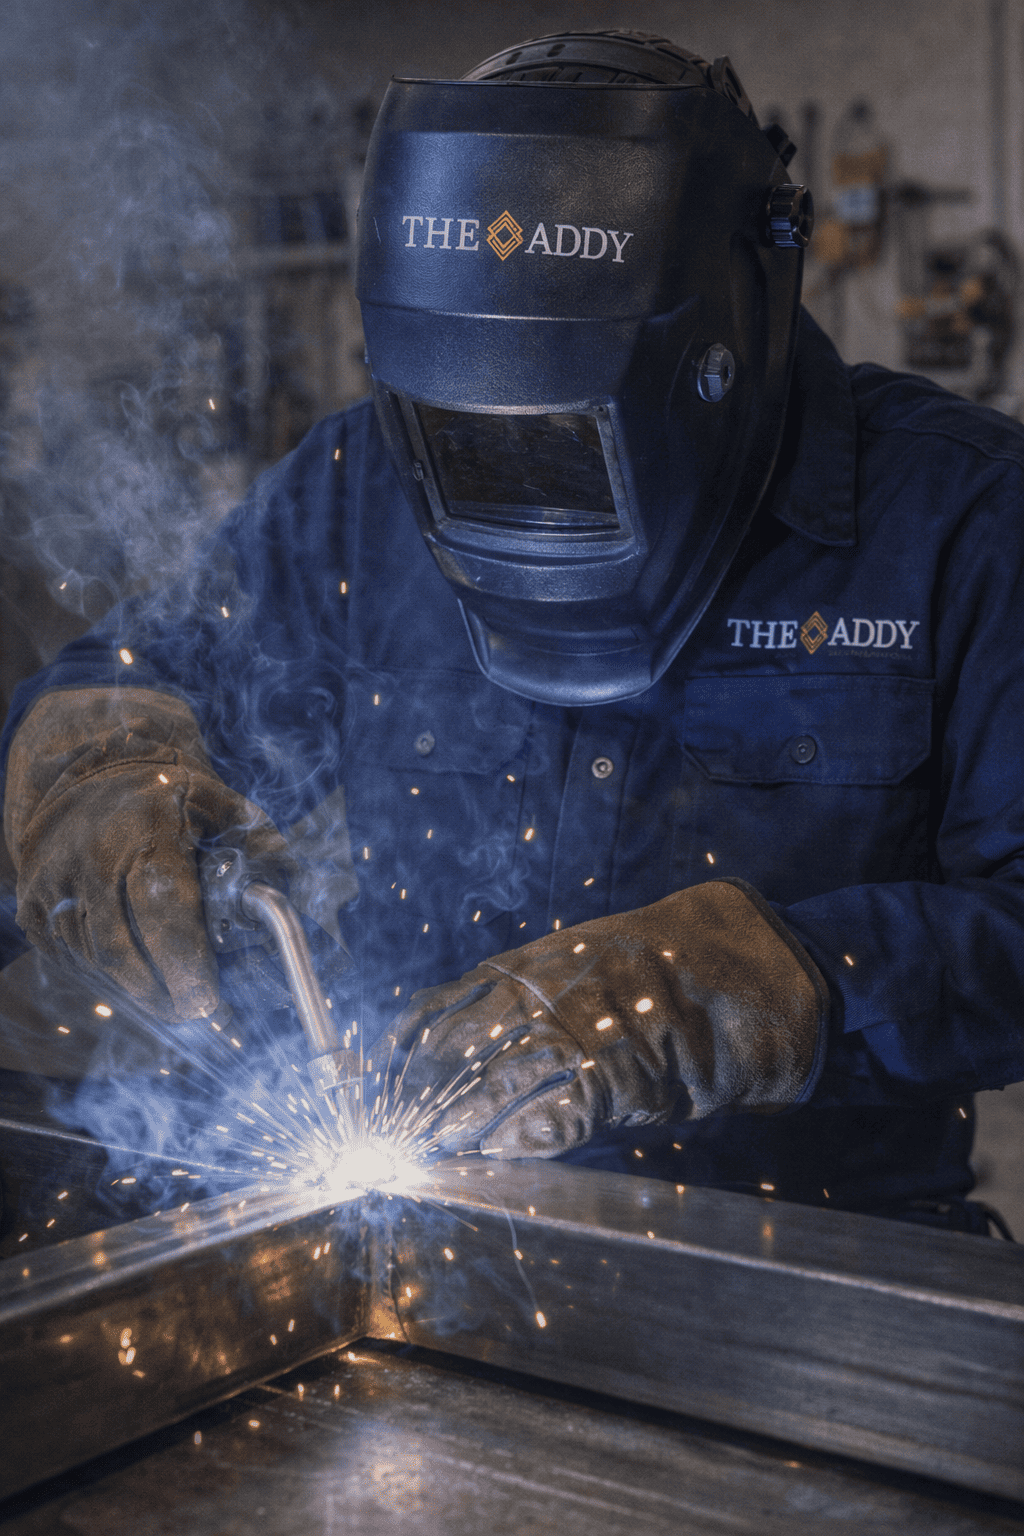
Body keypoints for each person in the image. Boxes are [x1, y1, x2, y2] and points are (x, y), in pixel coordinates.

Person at [2, 30, 1023, 1234]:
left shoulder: (960, 516)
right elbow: (143, 672)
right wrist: (97, 771)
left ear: (727, 332)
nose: (522, 488)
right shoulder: (356, 488)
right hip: (435, 1229)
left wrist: (744, 984)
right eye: (463, 439)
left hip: (813, 1244)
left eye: (566, 439)